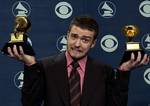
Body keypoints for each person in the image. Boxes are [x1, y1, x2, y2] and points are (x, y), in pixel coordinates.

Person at [7, 15, 149, 106]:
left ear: (93, 43)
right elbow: (30, 103)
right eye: (74, 36)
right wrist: (30, 64)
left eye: (85, 39)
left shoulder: (105, 71)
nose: (77, 44)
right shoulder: (45, 66)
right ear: (67, 36)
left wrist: (124, 72)